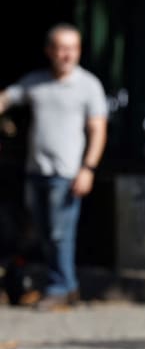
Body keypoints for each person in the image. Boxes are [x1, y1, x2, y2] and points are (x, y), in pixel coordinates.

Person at [0, 24, 107, 311]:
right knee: (45, 235)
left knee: (61, 234)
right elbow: (7, 98)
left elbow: (98, 130)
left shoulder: (89, 86)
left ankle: (59, 288)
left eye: (72, 48)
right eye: (60, 48)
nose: (66, 55)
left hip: (68, 173)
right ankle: (67, 287)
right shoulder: (36, 83)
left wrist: (89, 168)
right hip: (36, 171)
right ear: (49, 51)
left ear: (79, 51)